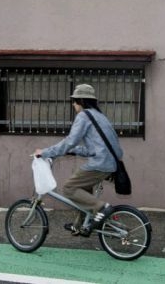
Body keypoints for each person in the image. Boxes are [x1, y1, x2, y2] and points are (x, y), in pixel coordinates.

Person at [34, 83, 122, 236]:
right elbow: (91, 149)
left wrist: (46, 152)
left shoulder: (84, 116)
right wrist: (72, 151)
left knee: (69, 188)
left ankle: (102, 207)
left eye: (74, 101)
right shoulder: (100, 116)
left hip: (100, 164)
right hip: (111, 163)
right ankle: (80, 224)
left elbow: (70, 141)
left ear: (81, 101)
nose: (73, 104)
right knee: (82, 189)